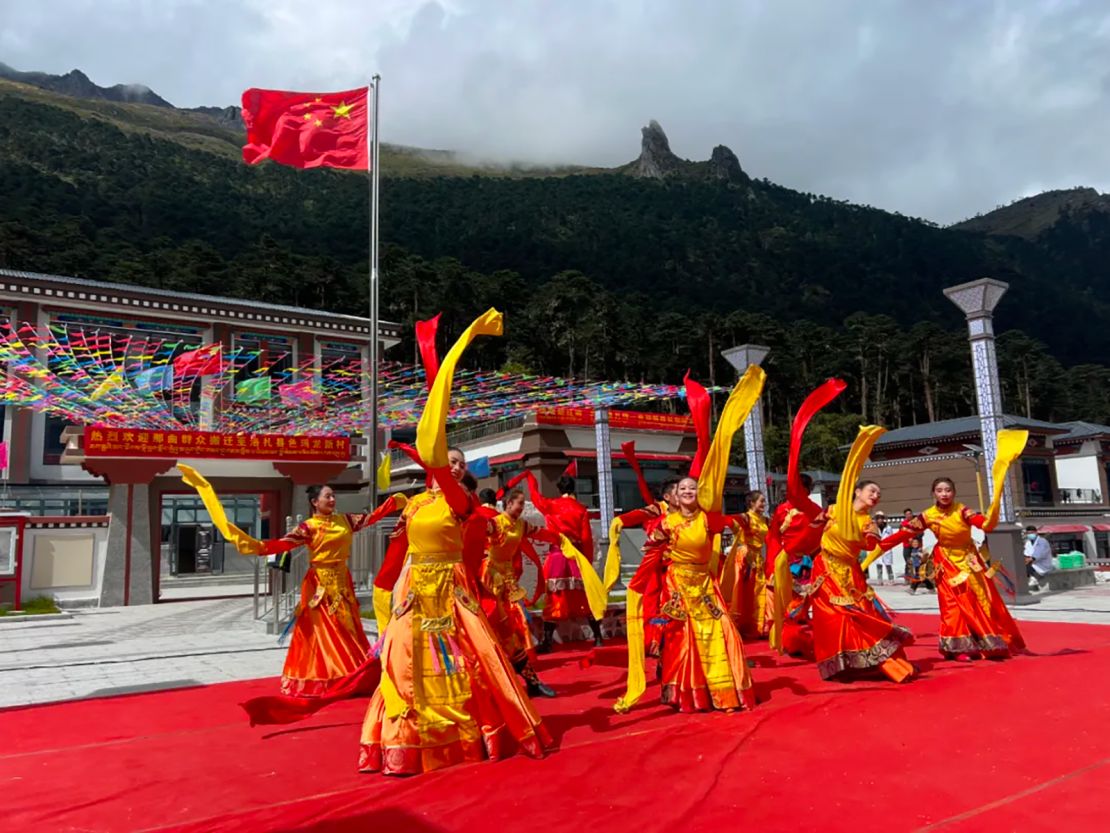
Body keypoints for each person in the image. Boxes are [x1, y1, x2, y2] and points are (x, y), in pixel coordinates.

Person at [358, 308, 552, 776]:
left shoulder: (462, 504)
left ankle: (471, 731)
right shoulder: (412, 504)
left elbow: (446, 477)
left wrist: (437, 451)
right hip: (413, 591)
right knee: (403, 662)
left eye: (462, 463)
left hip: (453, 591)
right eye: (452, 461)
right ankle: (407, 738)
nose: (457, 466)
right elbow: (394, 545)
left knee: (467, 660)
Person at [175, 467, 406, 697]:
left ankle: (355, 674)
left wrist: (394, 503)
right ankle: (331, 678)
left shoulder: (346, 520)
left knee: (348, 629)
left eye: (334, 496)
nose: (333, 500)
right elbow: (282, 544)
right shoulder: (307, 527)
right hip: (320, 585)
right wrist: (256, 545)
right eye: (328, 496)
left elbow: (371, 518)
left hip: (343, 584)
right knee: (324, 632)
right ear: (315, 502)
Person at [615, 365, 765, 713]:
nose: (688, 491)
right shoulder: (666, 524)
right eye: (683, 489)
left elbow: (733, 515)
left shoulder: (708, 519)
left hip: (706, 585)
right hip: (678, 586)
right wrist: (638, 588)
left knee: (722, 630)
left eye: (692, 488)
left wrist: (751, 525)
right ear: (674, 495)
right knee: (684, 639)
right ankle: (691, 694)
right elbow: (652, 554)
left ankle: (727, 691)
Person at [791, 426, 916, 683]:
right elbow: (806, 543)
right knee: (833, 616)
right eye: (872, 491)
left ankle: (872, 661)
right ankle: (840, 662)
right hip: (825, 569)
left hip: (851, 573)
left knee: (861, 614)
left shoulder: (867, 522)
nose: (876, 496)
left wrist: (862, 535)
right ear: (857, 491)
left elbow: (870, 546)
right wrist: (815, 524)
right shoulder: (834, 510)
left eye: (879, 495)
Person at [892, 476, 1025, 660]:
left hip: (969, 559)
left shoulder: (963, 510)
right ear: (934, 494)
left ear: (954, 492)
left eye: (948, 490)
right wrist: (878, 545)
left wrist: (992, 514)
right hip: (945, 562)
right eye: (940, 490)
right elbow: (904, 532)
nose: (944, 494)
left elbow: (982, 523)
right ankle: (958, 648)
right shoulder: (928, 515)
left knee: (980, 599)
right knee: (952, 605)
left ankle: (986, 641)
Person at [481, 487, 556, 697]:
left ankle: (527, 679)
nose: (522, 507)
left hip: (508, 580)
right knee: (500, 627)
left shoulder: (521, 525)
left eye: (523, 504)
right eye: (520, 503)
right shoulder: (495, 524)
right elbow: (474, 533)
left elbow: (540, 533)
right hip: (491, 579)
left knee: (515, 626)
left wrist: (561, 540)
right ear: (508, 503)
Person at [522, 471, 604, 651]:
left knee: (554, 597)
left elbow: (535, 496)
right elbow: (586, 539)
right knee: (585, 596)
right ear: (573, 489)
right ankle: (598, 637)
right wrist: (587, 561)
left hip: (557, 556)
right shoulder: (581, 509)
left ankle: (548, 641)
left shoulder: (550, 505)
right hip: (576, 557)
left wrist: (530, 478)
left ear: (559, 490)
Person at [721, 490, 769, 638]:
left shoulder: (765, 519)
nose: (764, 504)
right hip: (746, 557)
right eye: (761, 501)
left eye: (764, 501)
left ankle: (758, 625)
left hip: (758, 557)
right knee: (746, 591)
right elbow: (727, 521)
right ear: (751, 503)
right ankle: (742, 625)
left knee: (759, 589)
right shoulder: (746, 517)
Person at [1025, 526, 1054, 591]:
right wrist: (1026, 559)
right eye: (1028, 533)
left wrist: (1030, 559)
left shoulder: (1042, 541)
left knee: (1026, 566)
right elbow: (1026, 554)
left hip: (1043, 565)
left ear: (1036, 532)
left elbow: (1039, 554)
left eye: (1032, 533)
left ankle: (1034, 578)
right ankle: (1031, 579)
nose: (1030, 535)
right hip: (1034, 564)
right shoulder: (1028, 543)